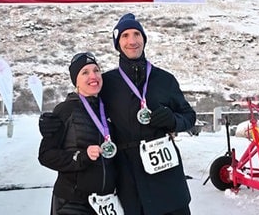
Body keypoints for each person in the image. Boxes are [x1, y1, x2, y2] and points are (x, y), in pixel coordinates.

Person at [40, 13, 196, 215]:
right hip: (127, 179)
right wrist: (50, 122)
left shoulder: (165, 80)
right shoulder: (107, 83)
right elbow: (84, 103)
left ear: (144, 39)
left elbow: (189, 116)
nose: (132, 41)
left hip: (166, 177)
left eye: (137, 34)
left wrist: (174, 121)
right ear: (117, 43)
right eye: (125, 36)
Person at [38, 52, 122, 215]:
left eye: (96, 70)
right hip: (72, 203)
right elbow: (46, 155)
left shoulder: (108, 109)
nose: (93, 76)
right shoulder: (66, 110)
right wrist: (81, 157)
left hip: (106, 202)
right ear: (75, 81)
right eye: (85, 72)